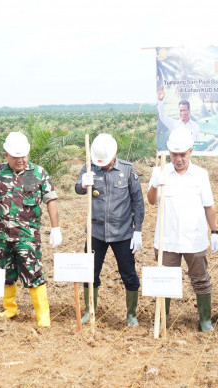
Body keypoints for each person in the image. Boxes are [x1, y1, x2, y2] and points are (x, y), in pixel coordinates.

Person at [0, 131, 62, 327]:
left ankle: (43, 316)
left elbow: (51, 200)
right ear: (6, 155)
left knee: (34, 274)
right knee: (5, 273)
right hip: (2, 235)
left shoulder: (37, 173)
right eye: (16, 157)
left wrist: (56, 228)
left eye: (23, 156)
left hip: (28, 236)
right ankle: (9, 309)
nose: (20, 160)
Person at [147, 127, 218, 332]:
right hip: (167, 239)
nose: (178, 159)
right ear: (169, 153)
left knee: (201, 278)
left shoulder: (200, 175)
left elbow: (209, 206)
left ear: (190, 151)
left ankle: (205, 320)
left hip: (193, 238)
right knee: (166, 280)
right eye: (174, 154)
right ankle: (163, 318)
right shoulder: (159, 172)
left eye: (183, 154)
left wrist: (214, 231)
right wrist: (154, 185)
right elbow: (151, 201)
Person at [75, 133, 145, 326]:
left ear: (114, 155)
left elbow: (137, 202)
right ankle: (90, 311)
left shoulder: (128, 170)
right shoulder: (89, 168)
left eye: (106, 162)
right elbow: (77, 189)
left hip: (122, 233)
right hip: (96, 232)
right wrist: (83, 184)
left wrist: (137, 230)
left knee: (128, 274)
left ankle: (131, 314)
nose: (103, 165)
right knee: (90, 273)